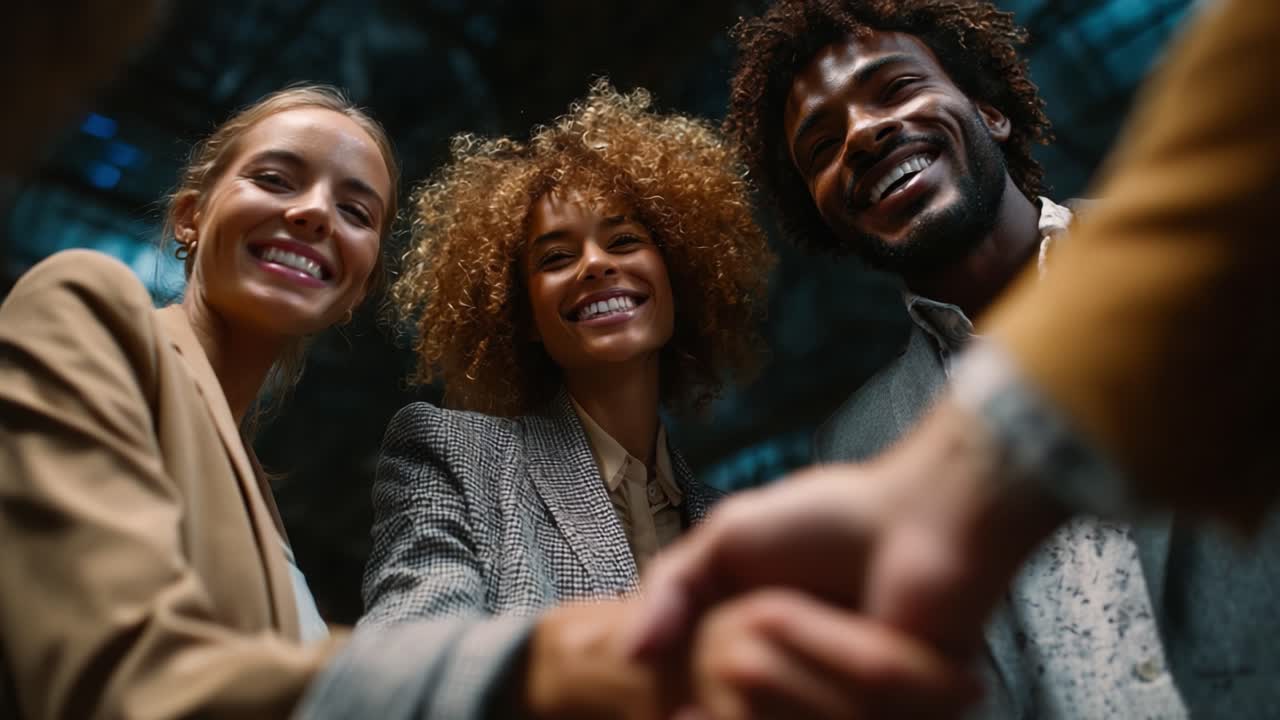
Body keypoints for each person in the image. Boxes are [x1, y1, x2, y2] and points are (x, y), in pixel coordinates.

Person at [631, 0, 1280, 717]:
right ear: (829, 219)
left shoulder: (1220, 250)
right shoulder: (853, 448)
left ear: (991, 113)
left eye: (895, 89)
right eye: (820, 147)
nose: (864, 133)